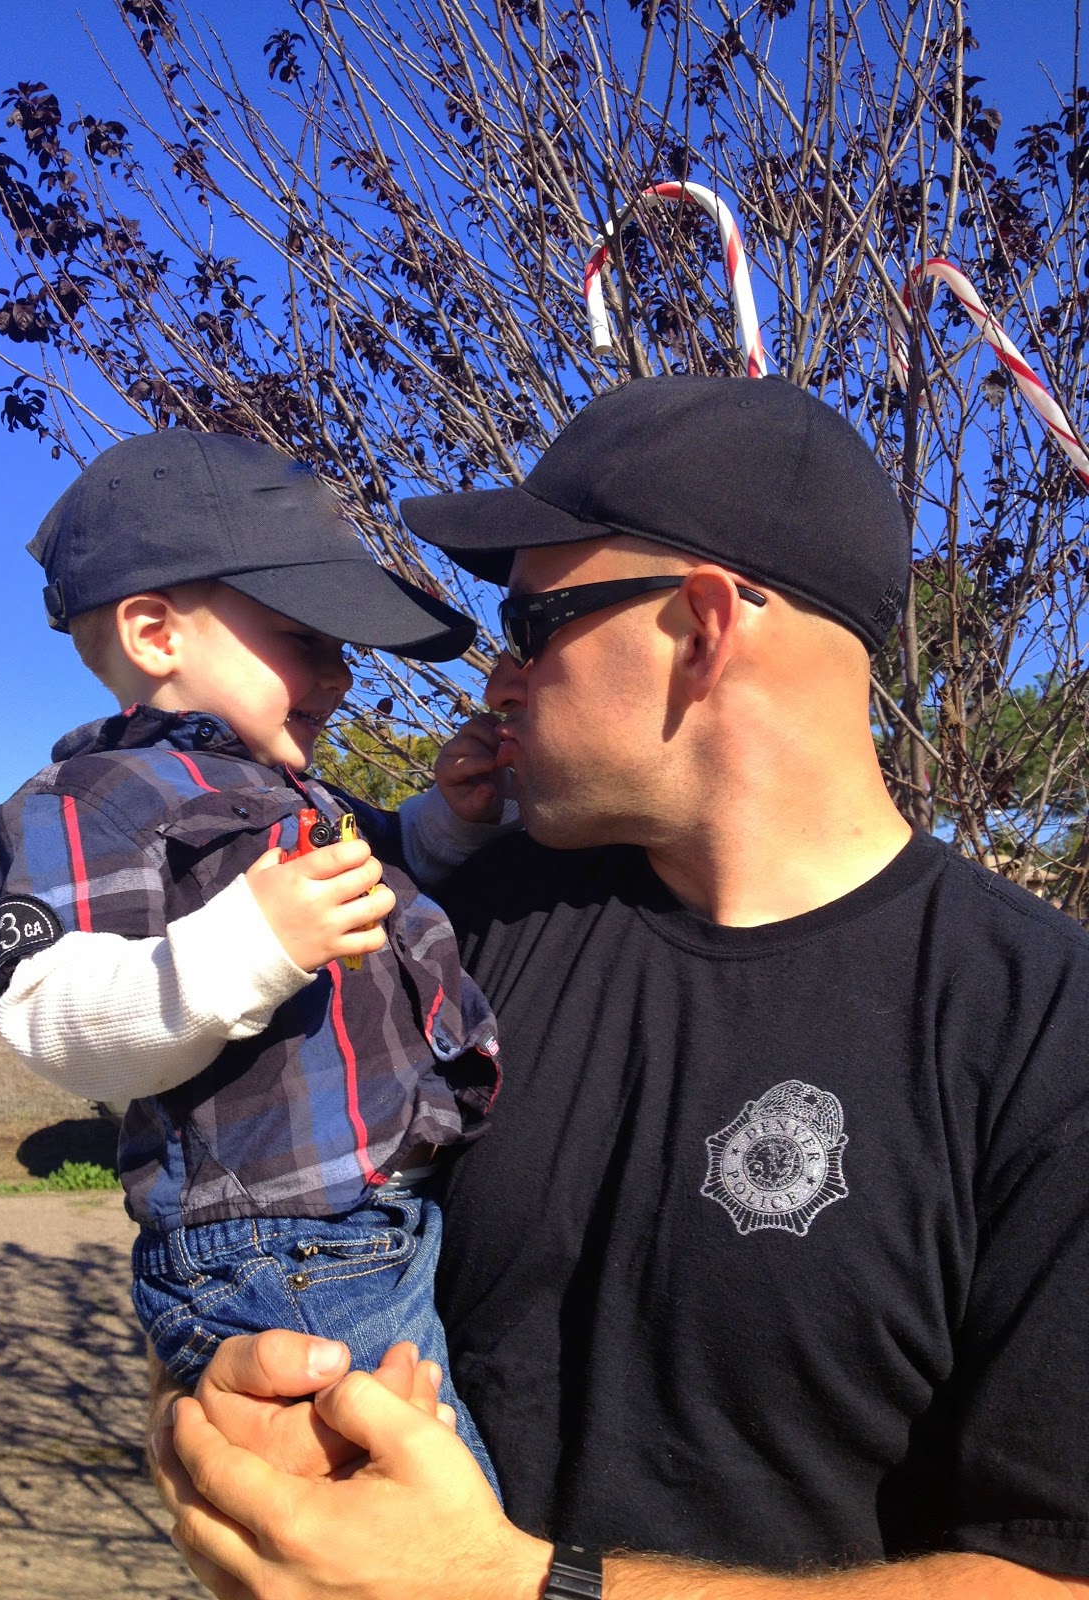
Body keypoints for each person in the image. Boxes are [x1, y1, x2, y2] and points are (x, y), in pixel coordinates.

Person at [151, 378, 1089, 1600]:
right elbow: (252, 1244)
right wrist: (220, 1427)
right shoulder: (447, 935)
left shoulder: (1046, 1031)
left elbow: (1047, 1572)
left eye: (533, 623)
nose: (499, 680)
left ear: (701, 626)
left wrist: (510, 1586)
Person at [0, 429, 517, 1487]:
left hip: (374, 1225)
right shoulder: (89, 804)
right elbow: (52, 1014)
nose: (340, 675)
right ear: (154, 632)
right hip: (279, 1249)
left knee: (438, 1481)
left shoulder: (291, 794)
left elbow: (390, 869)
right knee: (425, 1509)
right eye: (304, 638)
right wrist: (252, 945)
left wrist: (450, 818)